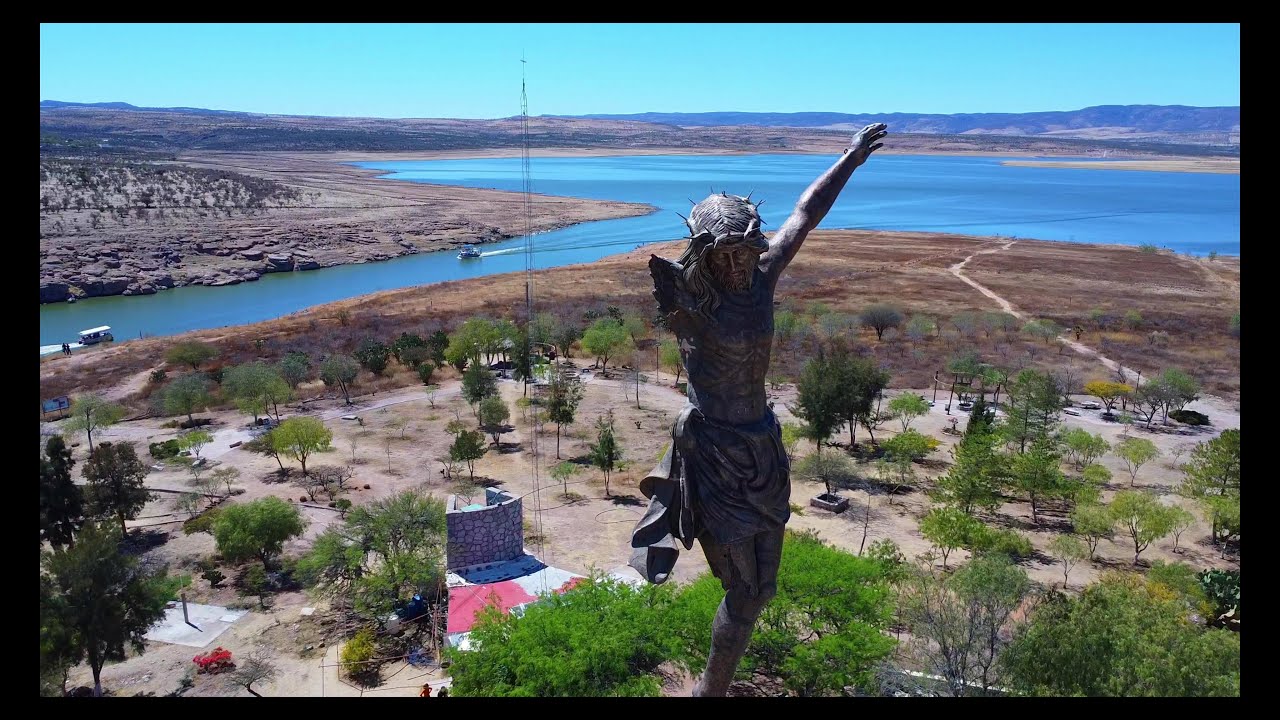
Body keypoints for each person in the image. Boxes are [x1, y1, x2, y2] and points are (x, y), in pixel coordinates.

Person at [630, 123, 888, 697]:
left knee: (761, 592)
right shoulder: (692, 302)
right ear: (706, 255)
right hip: (717, 454)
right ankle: (708, 692)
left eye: (750, 249)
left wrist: (849, 158)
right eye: (730, 253)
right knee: (744, 592)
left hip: (763, 445)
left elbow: (805, 214)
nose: (744, 263)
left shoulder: (764, 280)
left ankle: (712, 687)